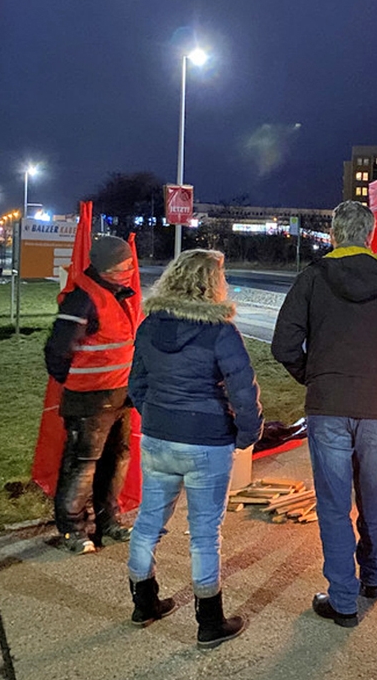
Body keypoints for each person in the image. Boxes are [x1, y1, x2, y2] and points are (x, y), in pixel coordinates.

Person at [272, 201, 377, 627]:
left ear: (336, 235)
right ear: (372, 235)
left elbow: (283, 344)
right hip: (374, 403)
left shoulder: (313, 278)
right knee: (372, 492)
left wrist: (314, 375)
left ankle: (343, 600)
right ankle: (372, 578)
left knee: (334, 502)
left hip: (328, 404)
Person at [126, 249, 263, 649]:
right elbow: (242, 390)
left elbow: (137, 383)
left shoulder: (150, 325)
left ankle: (144, 603)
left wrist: (154, 415)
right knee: (204, 533)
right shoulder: (220, 331)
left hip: (158, 436)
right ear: (212, 284)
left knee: (149, 522)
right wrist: (246, 433)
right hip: (207, 440)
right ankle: (209, 621)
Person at [44, 235, 139, 554]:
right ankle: (71, 528)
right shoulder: (83, 299)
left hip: (119, 395)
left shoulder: (116, 293)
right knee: (82, 464)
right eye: (125, 265)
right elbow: (58, 351)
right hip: (90, 399)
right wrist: (77, 382)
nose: (130, 270)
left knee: (116, 459)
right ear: (108, 267)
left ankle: (108, 520)